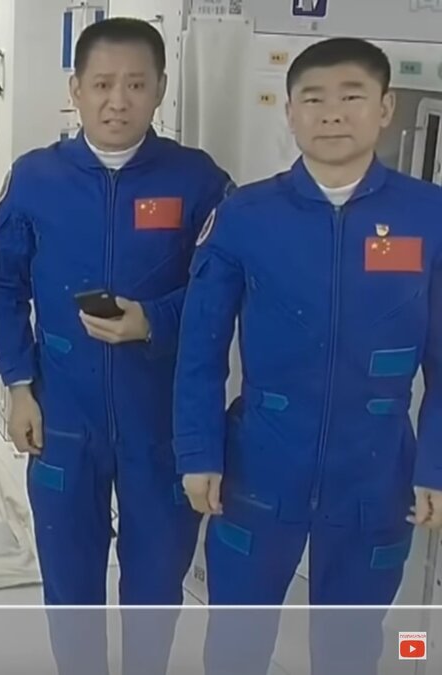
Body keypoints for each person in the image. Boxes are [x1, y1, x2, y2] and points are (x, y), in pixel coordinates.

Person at [174, 37, 442, 674]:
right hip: (259, 464)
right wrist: (198, 452)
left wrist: (435, 464)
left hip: (376, 470)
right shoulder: (245, 215)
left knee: (351, 643)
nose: (332, 114)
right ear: (290, 113)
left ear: (385, 108)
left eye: (352, 97)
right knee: (237, 639)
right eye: (314, 99)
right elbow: (200, 349)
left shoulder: (428, 215)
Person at [0, 16, 233, 675]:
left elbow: (222, 293)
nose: (117, 101)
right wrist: (18, 385)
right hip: (64, 415)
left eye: (135, 84)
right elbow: (4, 286)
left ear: (159, 90)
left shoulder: (197, 181)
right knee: (70, 581)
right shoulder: (35, 179)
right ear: (75, 89)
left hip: (161, 419)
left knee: (155, 583)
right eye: (101, 84)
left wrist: (154, 320)